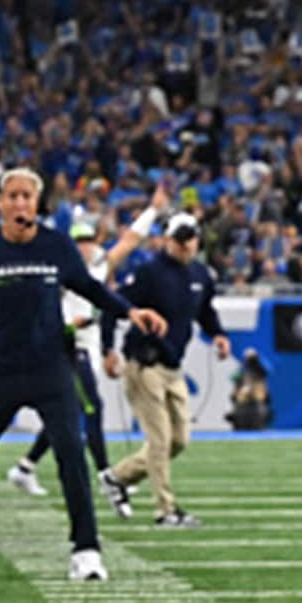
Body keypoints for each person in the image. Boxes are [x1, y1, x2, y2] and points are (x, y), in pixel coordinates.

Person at [0, 168, 165, 580]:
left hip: (49, 366)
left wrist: (129, 311)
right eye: (14, 196)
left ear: (37, 203)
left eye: (28, 196)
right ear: (0, 203)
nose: (21, 204)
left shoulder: (56, 246)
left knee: (71, 455)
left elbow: (90, 289)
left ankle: (87, 551)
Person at [8, 195, 158, 507]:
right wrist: (68, 324)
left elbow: (129, 241)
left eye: (89, 239)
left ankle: (25, 467)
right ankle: (107, 477)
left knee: (68, 413)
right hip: (65, 346)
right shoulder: (57, 266)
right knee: (92, 409)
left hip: (82, 347)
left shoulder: (100, 264)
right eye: (79, 240)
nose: (85, 246)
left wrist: (153, 210)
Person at [99, 212, 230, 527]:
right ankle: (166, 510)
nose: (185, 246)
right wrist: (107, 349)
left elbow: (206, 311)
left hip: (173, 365)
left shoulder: (201, 274)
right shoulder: (149, 273)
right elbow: (113, 304)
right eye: (179, 240)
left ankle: (117, 478)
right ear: (167, 240)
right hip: (144, 363)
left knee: (179, 440)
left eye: (190, 240)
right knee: (159, 440)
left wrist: (219, 334)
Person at [226, 348, 271, 431]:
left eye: (252, 358)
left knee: (259, 421)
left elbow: (268, 370)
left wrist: (257, 360)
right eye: (248, 358)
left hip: (257, 403)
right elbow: (233, 377)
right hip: (242, 404)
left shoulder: (260, 370)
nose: (250, 361)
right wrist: (243, 368)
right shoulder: (242, 369)